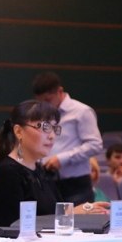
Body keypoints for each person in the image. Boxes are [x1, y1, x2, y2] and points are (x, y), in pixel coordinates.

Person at [0, 99, 108, 227]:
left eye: (54, 128)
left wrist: (79, 210)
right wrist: (70, 213)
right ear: (19, 131)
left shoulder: (39, 169)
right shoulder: (7, 173)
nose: (52, 136)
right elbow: (13, 226)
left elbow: (51, 212)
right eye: (45, 127)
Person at [32, 72, 103, 204]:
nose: (44, 105)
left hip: (76, 186)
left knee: (78, 218)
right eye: (41, 102)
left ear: (60, 91)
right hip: (48, 182)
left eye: (48, 100)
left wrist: (62, 159)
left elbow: (95, 145)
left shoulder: (81, 112)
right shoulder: (42, 114)